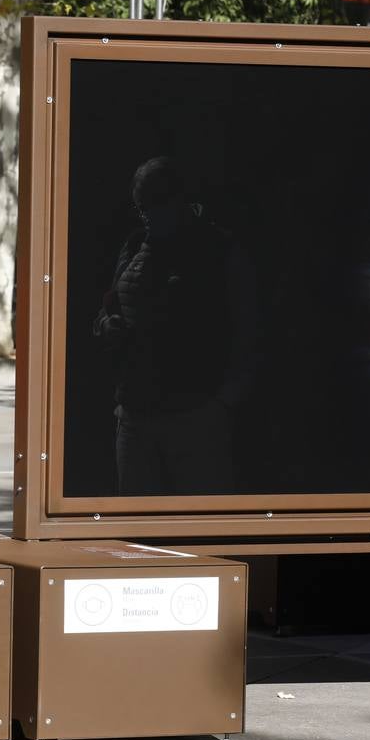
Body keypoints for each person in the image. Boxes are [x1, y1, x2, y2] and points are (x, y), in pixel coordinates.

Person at [93, 156, 255, 495]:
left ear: (179, 200)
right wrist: (108, 327)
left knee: (198, 525)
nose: (148, 214)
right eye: (141, 206)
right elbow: (106, 309)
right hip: (137, 410)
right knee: (137, 531)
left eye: (156, 203)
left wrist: (224, 400)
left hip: (195, 412)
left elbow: (246, 326)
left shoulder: (217, 249)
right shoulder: (135, 245)